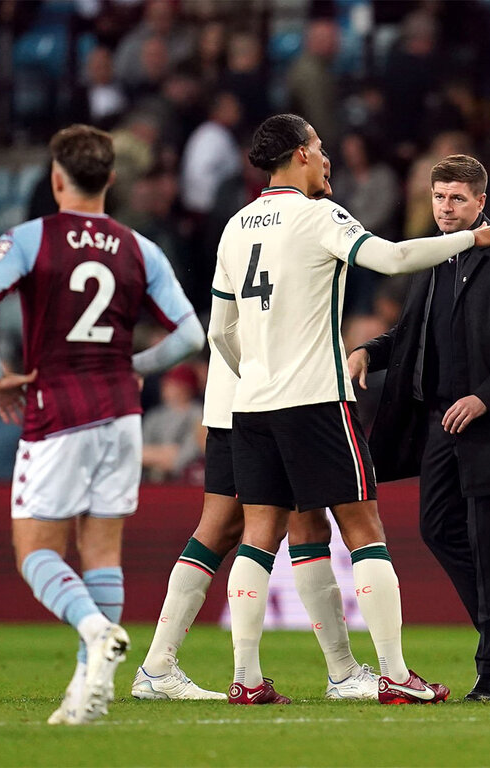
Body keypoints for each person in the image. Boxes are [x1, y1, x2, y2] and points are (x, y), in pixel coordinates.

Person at [209, 115, 490, 705]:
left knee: (257, 539)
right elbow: (393, 257)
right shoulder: (318, 215)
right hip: (313, 399)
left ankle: (247, 680)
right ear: (302, 154)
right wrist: (472, 237)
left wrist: (259, 369)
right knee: (364, 532)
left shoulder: (234, 226)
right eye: (322, 148)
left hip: (251, 403)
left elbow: (221, 331)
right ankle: (395, 674)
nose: (327, 158)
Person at [0, 125, 205, 725]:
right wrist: (137, 365)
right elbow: (193, 335)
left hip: (57, 408)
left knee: (34, 552)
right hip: (122, 413)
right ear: (113, 180)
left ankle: (95, 631)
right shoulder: (139, 247)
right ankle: (89, 689)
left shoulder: (29, 238)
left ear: (54, 178)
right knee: (101, 550)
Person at [133, 155, 381, 704]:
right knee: (253, 527)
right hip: (267, 398)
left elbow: (224, 325)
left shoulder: (241, 227)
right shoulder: (304, 225)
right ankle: (332, 671)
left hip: (238, 395)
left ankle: (163, 665)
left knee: (266, 525)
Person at [349, 154, 490, 702]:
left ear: (481, 203)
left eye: (458, 198)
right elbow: (412, 332)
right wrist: (371, 349)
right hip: (441, 421)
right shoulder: (436, 258)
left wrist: (483, 398)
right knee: (438, 527)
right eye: (440, 197)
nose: (446, 208)